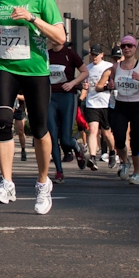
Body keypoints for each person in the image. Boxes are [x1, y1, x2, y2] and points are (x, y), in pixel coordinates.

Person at [0, 0, 66, 215]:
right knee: (3, 122)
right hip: (7, 68)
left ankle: (43, 183)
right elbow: (4, 32)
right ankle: (7, 182)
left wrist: (32, 18)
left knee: (40, 130)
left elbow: (60, 38)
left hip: (35, 70)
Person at [95, 35, 139, 184]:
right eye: (124, 46)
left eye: (129, 46)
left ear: (135, 48)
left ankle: (136, 173)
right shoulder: (116, 67)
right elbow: (110, 84)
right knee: (120, 140)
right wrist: (110, 86)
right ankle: (125, 161)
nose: (127, 49)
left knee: (135, 142)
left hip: (137, 106)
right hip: (120, 106)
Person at [48, 39, 90, 183]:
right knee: (52, 136)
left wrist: (72, 83)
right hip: (50, 98)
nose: (52, 39)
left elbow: (85, 71)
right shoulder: (46, 54)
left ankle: (76, 147)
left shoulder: (69, 53)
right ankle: (59, 171)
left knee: (65, 139)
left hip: (67, 97)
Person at [84, 45, 115, 170]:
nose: (94, 57)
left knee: (107, 133)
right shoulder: (87, 68)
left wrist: (109, 86)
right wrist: (84, 86)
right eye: (92, 54)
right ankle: (92, 157)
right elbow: (84, 82)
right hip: (91, 103)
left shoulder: (108, 67)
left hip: (105, 103)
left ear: (102, 54)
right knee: (93, 130)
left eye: (96, 54)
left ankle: (112, 152)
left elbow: (113, 84)